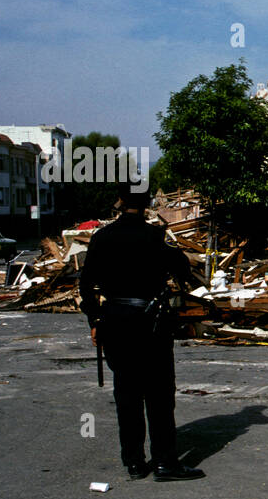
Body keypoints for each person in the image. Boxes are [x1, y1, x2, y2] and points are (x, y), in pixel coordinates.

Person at [79, 183, 204, 481]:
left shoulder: (102, 237)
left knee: (127, 394)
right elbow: (184, 271)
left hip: (115, 321)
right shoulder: (156, 237)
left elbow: (85, 286)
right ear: (147, 203)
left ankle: (134, 462)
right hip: (151, 322)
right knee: (159, 394)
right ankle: (164, 462)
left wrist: (95, 319)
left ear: (120, 201)